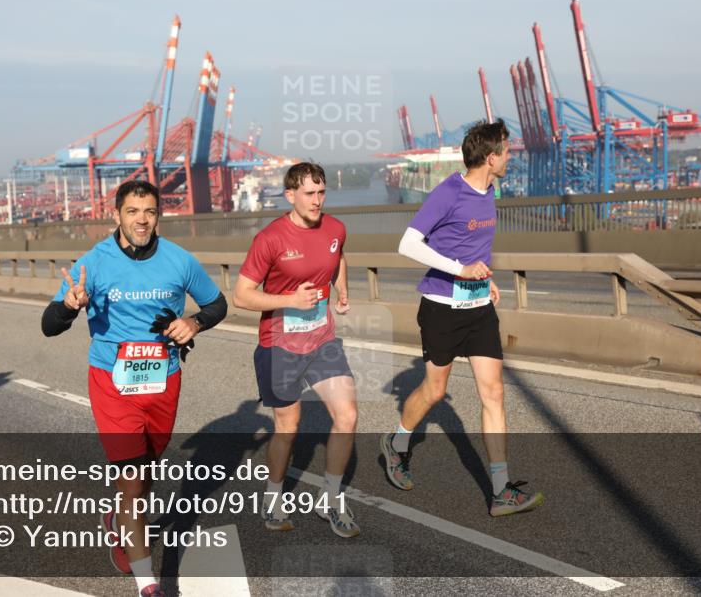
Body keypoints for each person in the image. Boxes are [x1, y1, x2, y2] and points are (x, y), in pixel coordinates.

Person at [41, 180, 227, 597]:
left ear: (158, 215)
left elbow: (218, 305)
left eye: (150, 211)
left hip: (163, 380)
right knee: (131, 481)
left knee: (146, 477)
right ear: (117, 215)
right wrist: (69, 307)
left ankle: (116, 519)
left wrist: (194, 322)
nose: (142, 219)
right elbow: (49, 325)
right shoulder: (95, 263)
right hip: (111, 381)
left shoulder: (179, 261)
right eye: (133, 211)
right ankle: (149, 585)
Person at [380, 119, 545, 517]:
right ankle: (397, 444)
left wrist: (484, 279)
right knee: (435, 391)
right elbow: (407, 243)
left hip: (478, 309)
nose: (510, 157)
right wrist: (459, 270)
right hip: (441, 309)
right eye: (506, 151)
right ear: (491, 157)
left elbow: (474, 247)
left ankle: (501, 489)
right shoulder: (448, 192)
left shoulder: (490, 191)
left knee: (494, 393)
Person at [232, 162, 360, 538]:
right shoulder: (270, 239)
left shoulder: (335, 228)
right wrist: (289, 298)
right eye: (309, 194)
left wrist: (342, 289)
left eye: (321, 193)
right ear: (290, 195)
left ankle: (331, 499)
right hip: (280, 345)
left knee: (348, 415)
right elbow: (241, 296)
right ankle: (273, 497)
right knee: (288, 428)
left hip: (322, 339)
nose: (317, 201)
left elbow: (337, 257)